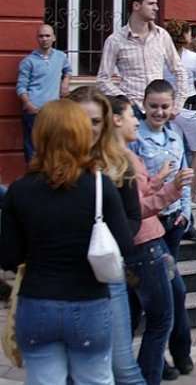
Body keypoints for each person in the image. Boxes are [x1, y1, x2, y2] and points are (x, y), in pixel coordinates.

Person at [0, 99, 133, 384]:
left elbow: (9, 257)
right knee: (95, 378)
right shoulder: (100, 186)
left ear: (40, 136)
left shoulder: (19, 190)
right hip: (89, 302)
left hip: (37, 302)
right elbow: (125, 244)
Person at [109, 94, 191, 385]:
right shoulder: (122, 159)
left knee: (138, 315)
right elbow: (136, 209)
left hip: (148, 243)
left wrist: (162, 180)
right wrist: (171, 192)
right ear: (116, 120)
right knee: (160, 319)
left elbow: (138, 194)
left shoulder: (124, 156)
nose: (137, 119)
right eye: (132, 115)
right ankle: (145, 377)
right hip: (146, 245)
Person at [69, 86, 146, 385]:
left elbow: (134, 217)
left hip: (106, 274)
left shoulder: (118, 162)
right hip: (65, 278)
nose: (89, 129)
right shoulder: (53, 165)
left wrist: (112, 239)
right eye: (82, 120)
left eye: (96, 121)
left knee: (122, 368)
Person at [131, 79, 196, 380]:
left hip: (173, 223)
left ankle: (177, 354)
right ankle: (166, 358)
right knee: (170, 292)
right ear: (144, 104)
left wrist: (186, 210)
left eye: (164, 107)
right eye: (153, 106)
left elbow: (184, 174)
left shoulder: (174, 134)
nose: (158, 112)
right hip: (148, 225)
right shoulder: (135, 138)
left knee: (172, 293)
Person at [97, 0, 189, 114]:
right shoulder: (115, 40)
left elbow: (180, 71)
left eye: (156, 4)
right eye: (151, 4)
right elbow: (103, 80)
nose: (156, 8)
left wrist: (177, 106)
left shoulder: (162, 35)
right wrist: (123, 99)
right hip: (131, 113)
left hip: (158, 112)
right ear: (136, 6)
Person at [164, 19, 196, 210]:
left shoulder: (162, 55)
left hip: (168, 109)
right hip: (189, 108)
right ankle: (190, 194)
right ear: (185, 36)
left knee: (175, 152)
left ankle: (173, 194)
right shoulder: (192, 57)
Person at [17, 23, 71, 162]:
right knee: (33, 148)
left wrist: (65, 82)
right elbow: (21, 87)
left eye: (47, 36)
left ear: (53, 38)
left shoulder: (61, 57)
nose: (44, 39)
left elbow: (68, 70)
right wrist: (28, 104)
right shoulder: (28, 61)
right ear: (37, 39)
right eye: (41, 36)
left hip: (53, 110)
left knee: (54, 146)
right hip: (34, 111)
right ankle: (33, 179)